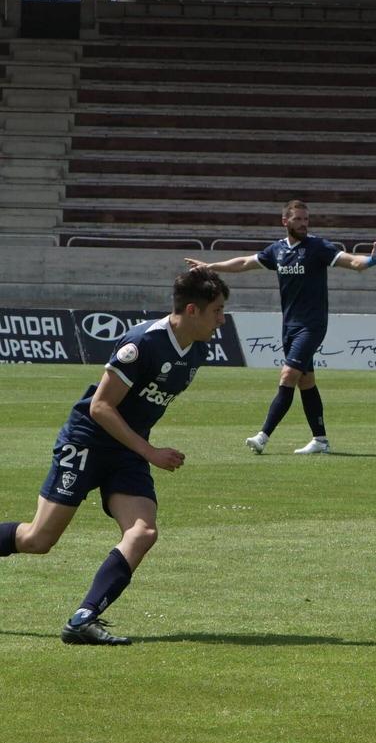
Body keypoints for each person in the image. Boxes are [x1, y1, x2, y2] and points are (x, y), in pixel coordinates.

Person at [0, 268, 231, 645]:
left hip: (127, 451)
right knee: (38, 540)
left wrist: (140, 449)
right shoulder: (141, 343)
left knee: (143, 532)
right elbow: (101, 408)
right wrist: (151, 452)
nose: (222, 319)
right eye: (218, 310)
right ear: (193, 310)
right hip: (88, 442)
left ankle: (83, 619)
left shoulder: (198, 349)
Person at [186, 198, 376, 456]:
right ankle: (320, 440)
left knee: (288, 376)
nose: (304, 224)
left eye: (306, 219)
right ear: (285, 221)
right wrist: (210, 267)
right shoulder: (277, 251)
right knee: (306, 382)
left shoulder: (318, 247)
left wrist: (372, 261)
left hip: (312, 325)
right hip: (289, 326)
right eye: (298, 219)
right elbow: (244, 263)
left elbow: (353, 262)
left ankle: (263, 436)